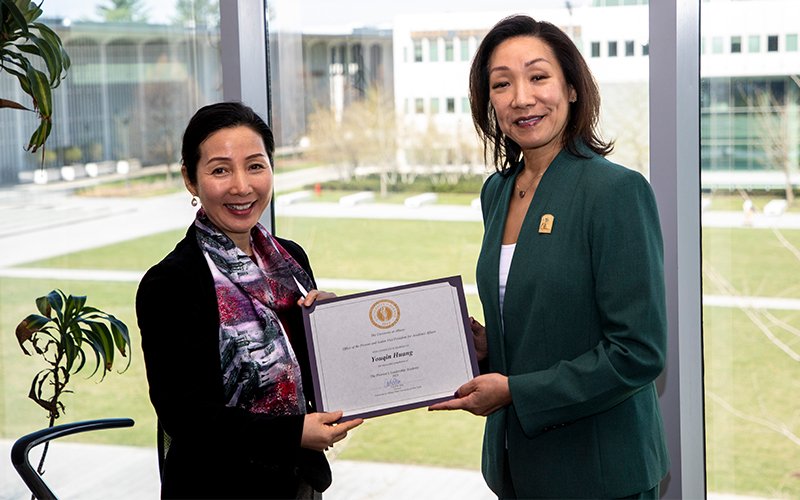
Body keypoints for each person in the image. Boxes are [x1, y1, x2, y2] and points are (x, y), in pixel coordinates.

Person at [429, 15, 669, 499]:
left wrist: (517, 392)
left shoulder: (616, 191)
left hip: (599, 474)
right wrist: (484, 346)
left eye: (538, 76)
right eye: (502, 84)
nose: (521, 97)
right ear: (488, 101)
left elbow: (638, 352)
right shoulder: (496, 192)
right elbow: (539, 321)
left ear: (573, 88)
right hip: (516, 469)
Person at [136, 101, 362, 499]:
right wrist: (294, 433)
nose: (242, 186)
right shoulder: (172, 282)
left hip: (297, 481)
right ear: (191, 180)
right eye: (220, 169)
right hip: (217, 485)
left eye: (255, 165)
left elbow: (302, 374)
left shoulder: (289, 261)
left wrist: (327, 328)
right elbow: (185, 416)